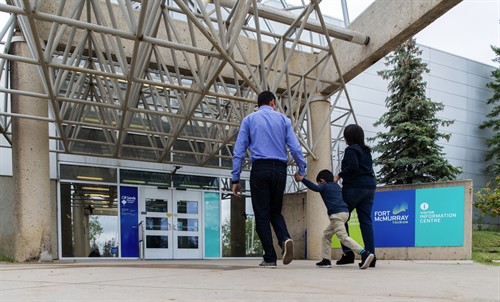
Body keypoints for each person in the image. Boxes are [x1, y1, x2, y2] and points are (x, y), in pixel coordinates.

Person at [232, 90, 307, 268]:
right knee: (275, 211)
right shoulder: (284, 120)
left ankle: (270, 257)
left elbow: (239, 151)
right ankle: (285, 238)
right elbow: (295, 148)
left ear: (259, 104)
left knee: (262, 215)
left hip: (260, 168)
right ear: (272, 102)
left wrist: (235, 179)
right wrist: (302, 168)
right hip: (280, 170)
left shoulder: (249, 120)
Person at [294, 169, 374, 269]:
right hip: (345, 213)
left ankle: (364, 253)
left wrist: (302, 179)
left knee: (343, 238)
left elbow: (314, 187)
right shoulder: (336, 186)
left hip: (336, 215)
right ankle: (326, 260)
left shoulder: (324, 185)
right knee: (326, 235)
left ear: (322, 181)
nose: (319, 185)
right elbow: (332, 183)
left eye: (319, 182)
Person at [334, 124, 377, 268]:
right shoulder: (366, 151)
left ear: (348, 137)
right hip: (370, 187)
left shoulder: (351, 150)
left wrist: (339, 175)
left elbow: (352, 168)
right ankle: (371, 255)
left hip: (354, 188)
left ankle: (348, 253)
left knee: (341, 218)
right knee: (365, 222)